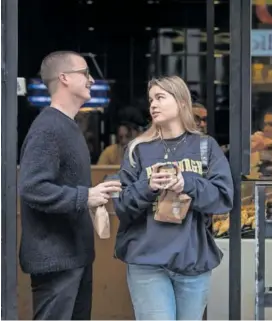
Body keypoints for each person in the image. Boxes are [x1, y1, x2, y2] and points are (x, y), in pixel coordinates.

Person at [114, 75, 233, 320]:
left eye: (160, 97)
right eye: (150, 100)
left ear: (180, 102)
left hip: (192, 261)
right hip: (147, 261)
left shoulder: (205, 147)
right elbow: (121, 206)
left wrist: (186, 183)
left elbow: (223, 198)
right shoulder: (138, 149)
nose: (153, 105)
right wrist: (148, 186)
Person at [18, 51, 122, 320]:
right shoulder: (48, 128)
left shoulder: (67, 126)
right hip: (56, 261)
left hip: (74, 256)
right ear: (64, 78)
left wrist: (90, 197)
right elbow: (32, 187)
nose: (91, 79)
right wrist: (85, 196)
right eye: (85, 72)